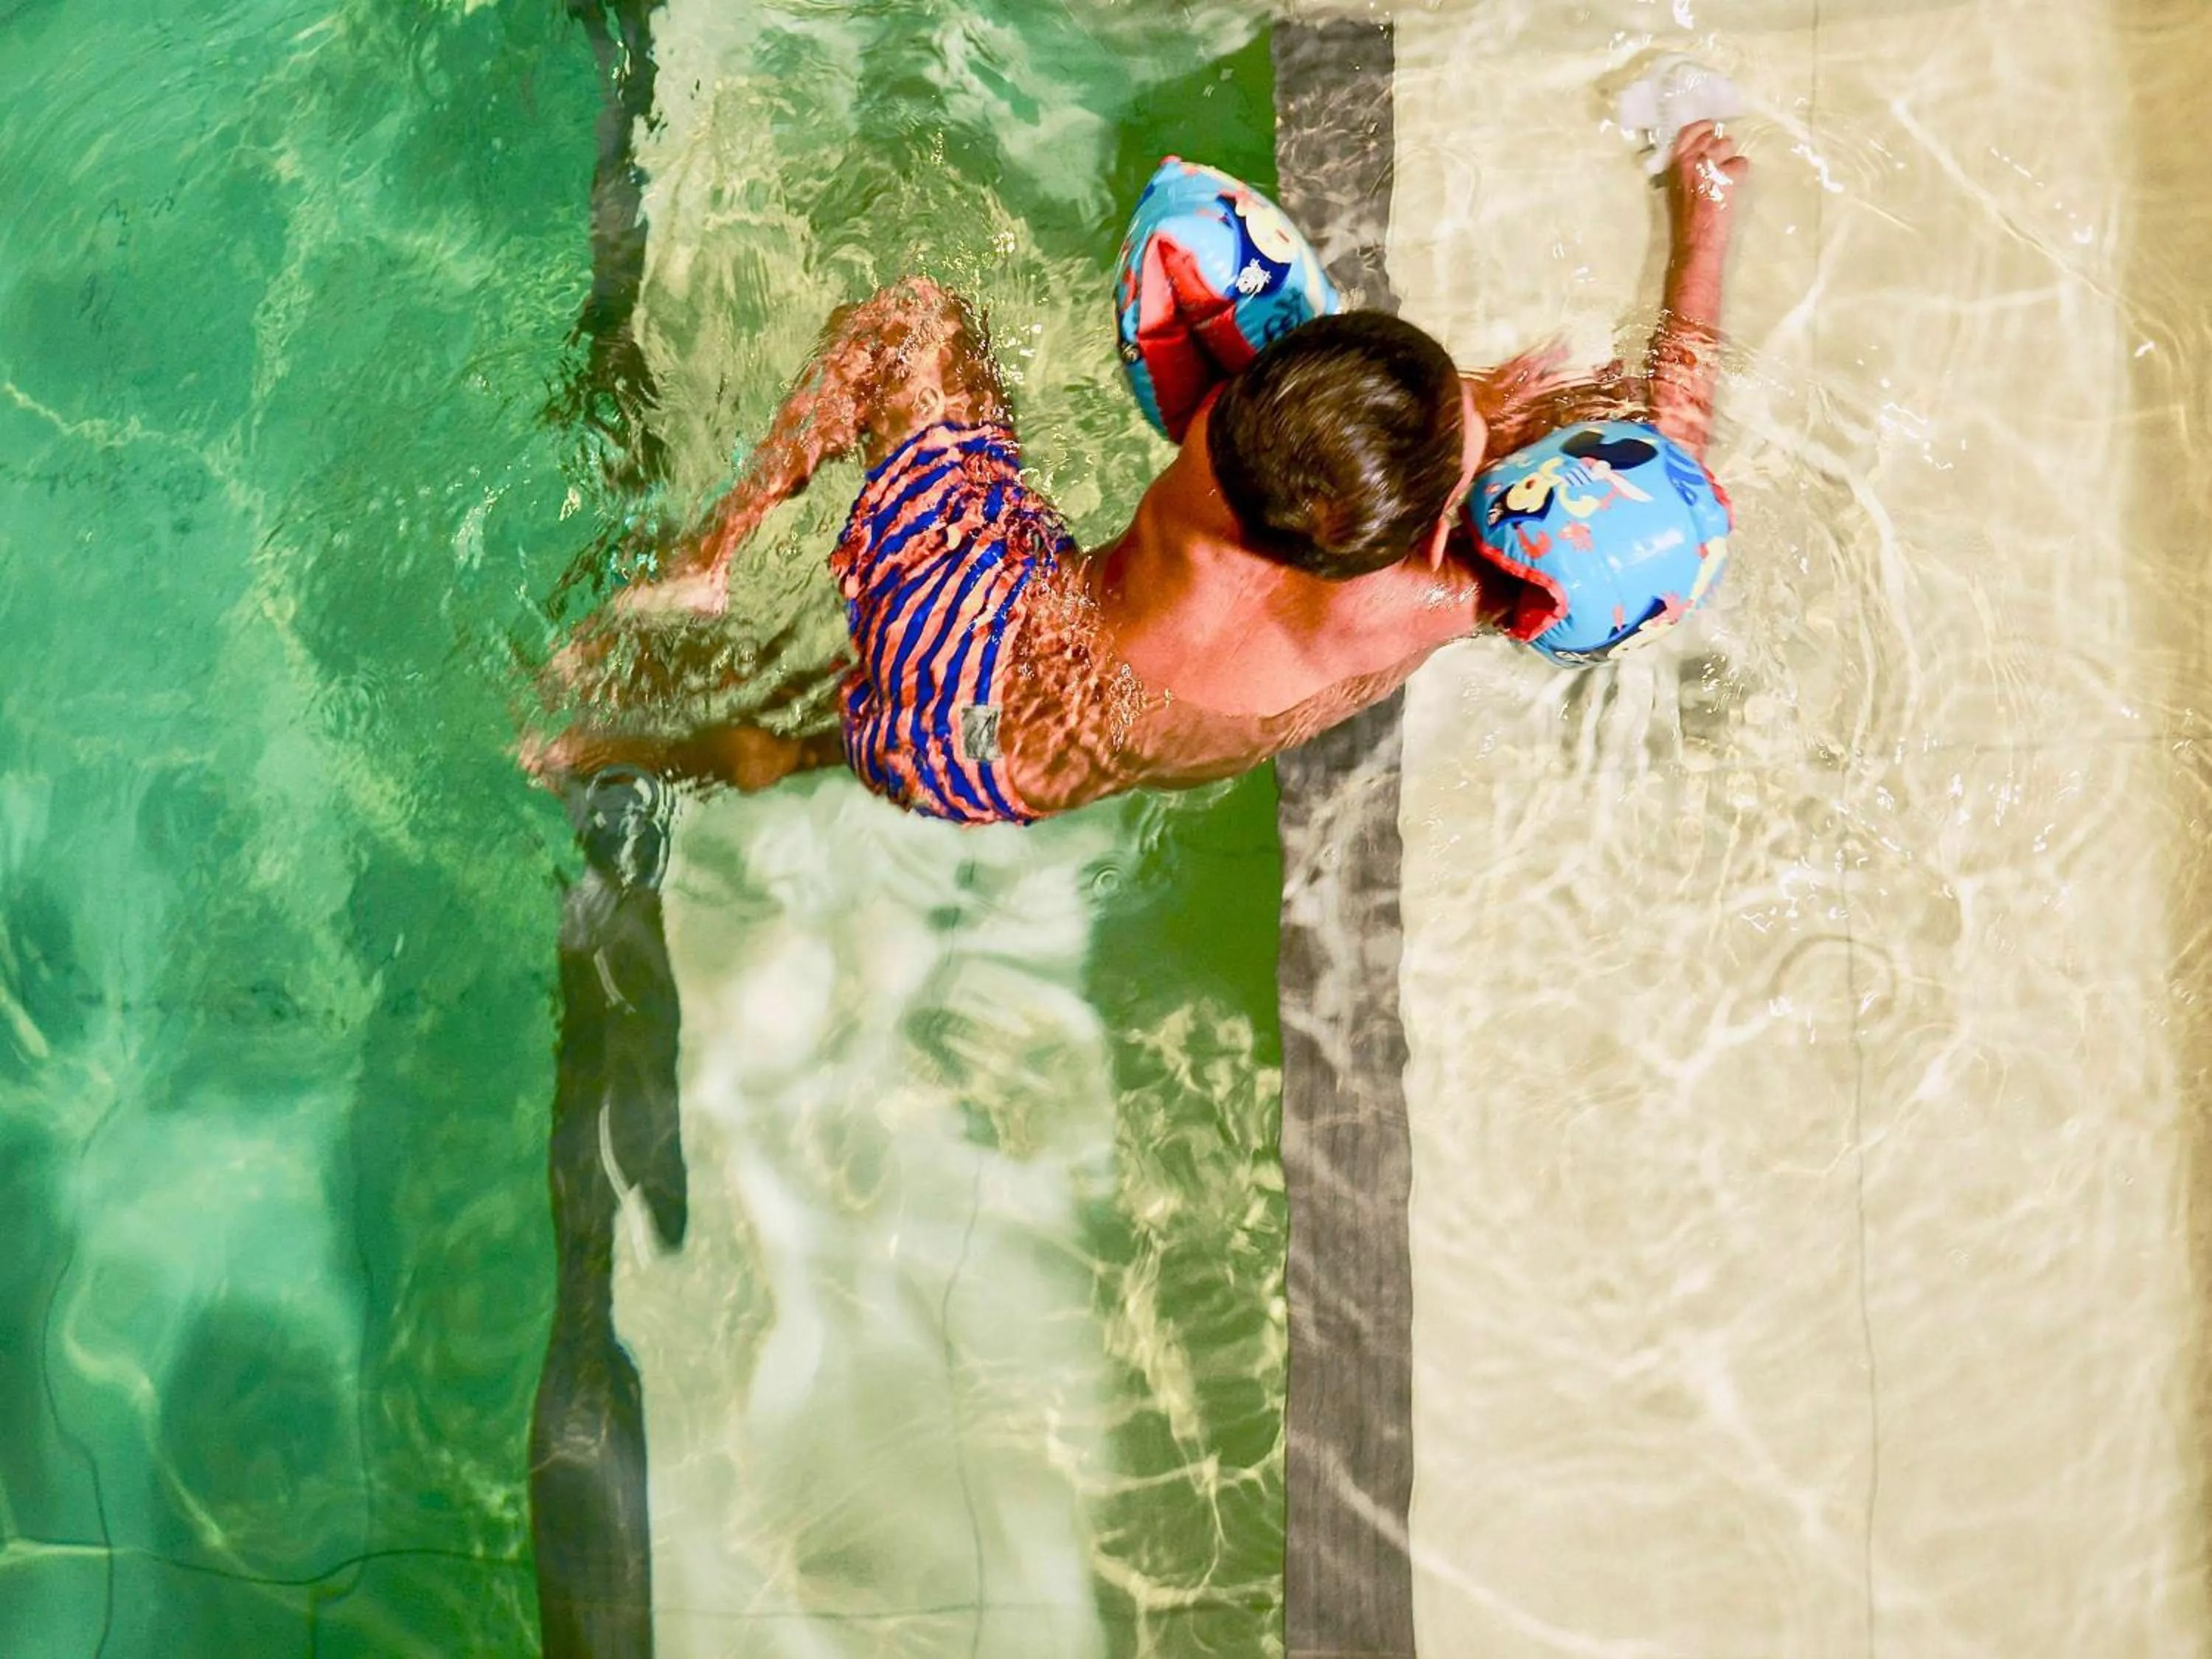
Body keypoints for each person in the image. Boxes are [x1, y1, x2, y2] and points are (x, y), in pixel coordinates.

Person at [531, 122, 1750, 825]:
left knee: (911, 326)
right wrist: (1706, 229)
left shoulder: (1227, 429)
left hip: (964, 611)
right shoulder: (1438, 597)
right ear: (1429, 526)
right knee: (823, 740)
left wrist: (1460, 401)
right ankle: (670, 753)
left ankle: (709, 560)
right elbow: (1666, 460)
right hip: (982, 767)